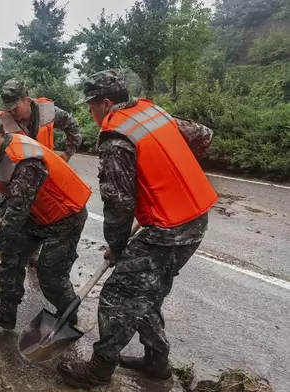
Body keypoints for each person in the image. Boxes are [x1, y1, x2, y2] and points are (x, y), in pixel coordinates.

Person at [57, 69, 218, 388]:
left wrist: (116, 248)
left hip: (167, 230)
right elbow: (204, 135)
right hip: (195, 218)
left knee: (119, 294)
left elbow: (117, 204)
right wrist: (171, 174)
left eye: (90, 106)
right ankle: (156, 362)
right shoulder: (153, 112)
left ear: (105, 104)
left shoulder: (116, 136)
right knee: (148, 290)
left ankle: (100, 369)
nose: (90, 113)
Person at [0, 108, 92, 330]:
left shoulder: (25, 163)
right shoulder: (3, 151)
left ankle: (67, 317)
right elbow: (6, 203)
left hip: (65, 217)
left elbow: (14, 217)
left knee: (50, 274)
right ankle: (7, 312)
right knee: (11, 254)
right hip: (36, 212)